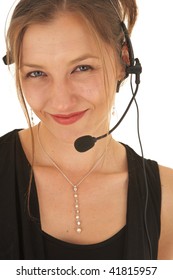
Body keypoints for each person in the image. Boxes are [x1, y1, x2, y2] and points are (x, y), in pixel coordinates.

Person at [0, 0, 173, 260]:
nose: (61, 101)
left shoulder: (168, 199)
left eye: (82, 68)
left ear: (123, 61)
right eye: (36, 73)